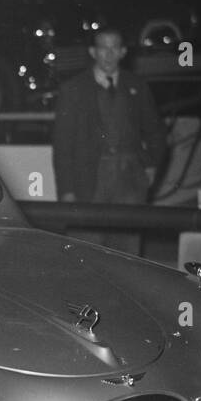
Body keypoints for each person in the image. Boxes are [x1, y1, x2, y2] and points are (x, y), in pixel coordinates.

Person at [51, 27, 165, 255]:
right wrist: (66, 191)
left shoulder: (137, 86)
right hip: (89, 180)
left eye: (115, 48)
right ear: (93, 51)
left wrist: (152, 165)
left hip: (129, 179)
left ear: (123, 52)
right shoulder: (73, 89)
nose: (109, 54)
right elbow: (62, 145)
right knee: (85, 249)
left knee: (127, 250)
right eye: (103, 47)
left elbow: (156, 131)